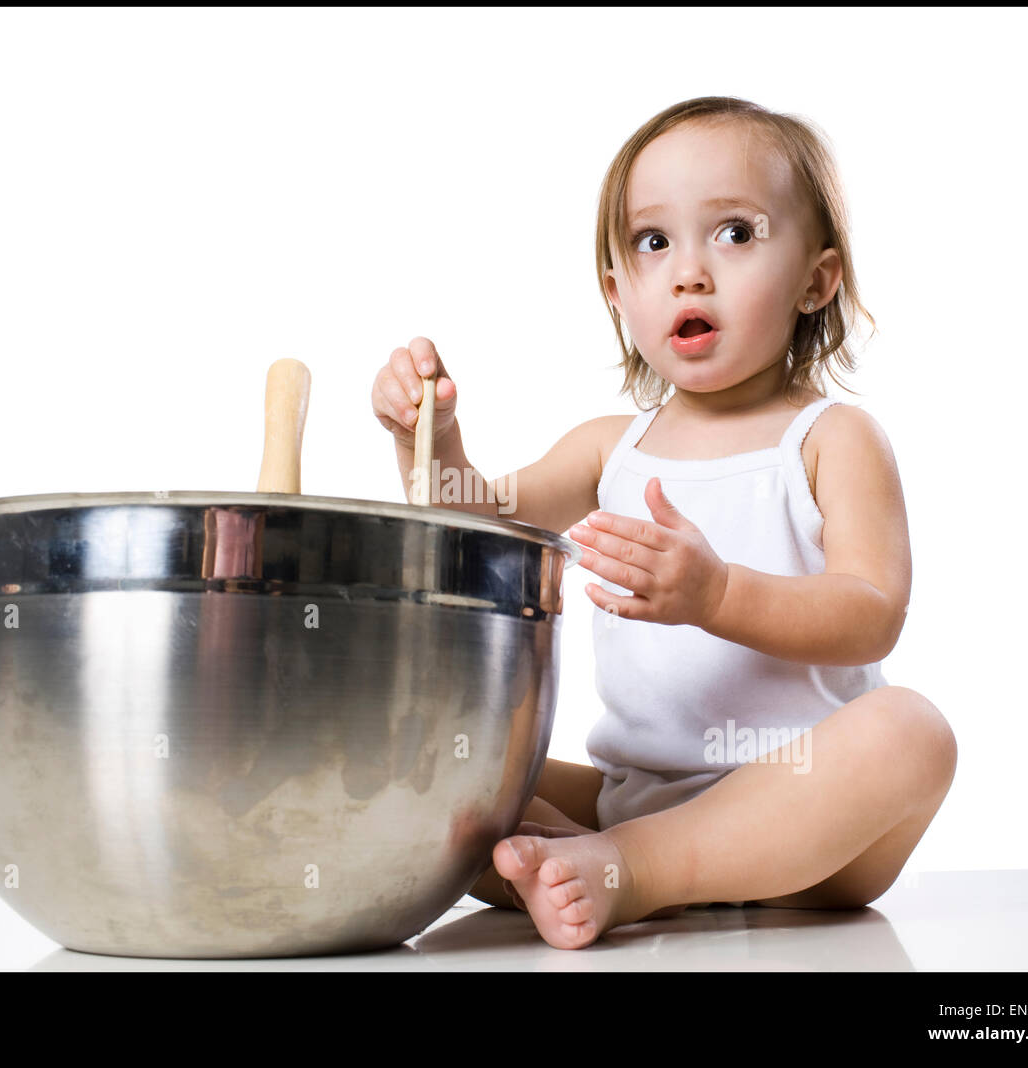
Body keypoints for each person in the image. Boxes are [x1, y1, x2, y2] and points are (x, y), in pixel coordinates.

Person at [369, 96, 956, 950]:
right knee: (438, 762)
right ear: (619, 291)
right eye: (654, 243)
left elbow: (872, 615)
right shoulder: (612, 448)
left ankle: (637, 872)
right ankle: (587, 858)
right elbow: (468, 513)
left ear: (816, 280)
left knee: (914, 734)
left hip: (812, 815)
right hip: (635, 791)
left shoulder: (830, 440)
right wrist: (430, 434)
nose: (690, 272)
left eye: (736, 234)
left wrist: (716, 593)